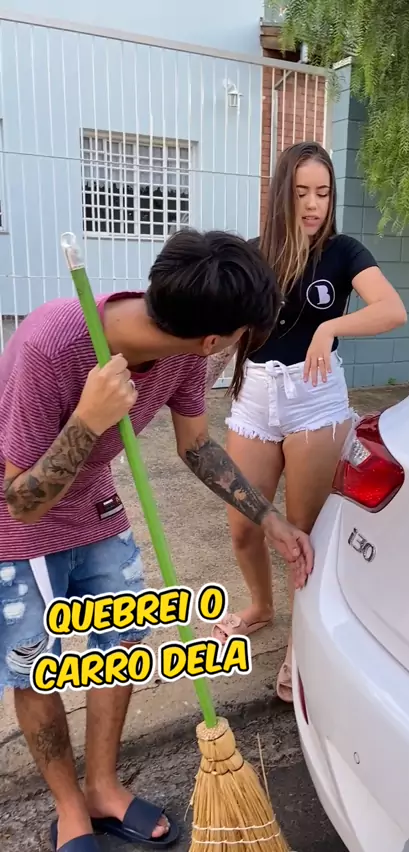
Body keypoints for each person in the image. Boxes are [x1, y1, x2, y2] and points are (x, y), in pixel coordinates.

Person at [0, 229, 314, 852]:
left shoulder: (184, 357)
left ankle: (102, 788)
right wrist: (88, 419)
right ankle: (69, 809)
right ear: (215, 339)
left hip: (96, 508)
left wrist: (271, 519)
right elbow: (22, 499)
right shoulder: (50, 344)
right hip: (21, 526)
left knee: (120, 643)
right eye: (241, 337)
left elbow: (196, 446)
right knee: (34, 669)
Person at [207, 141, 407, 703]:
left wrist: (329, 328)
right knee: (244, 524)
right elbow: (228, 334)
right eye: (301, 193)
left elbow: (391, 309)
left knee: (303, 533)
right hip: (256, 398)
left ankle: (302, 643)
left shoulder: (343, 252)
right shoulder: (254, 255)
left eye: (323, 192)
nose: (314, 204)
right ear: (282, 196)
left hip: (315, 400)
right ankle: (260, 606)